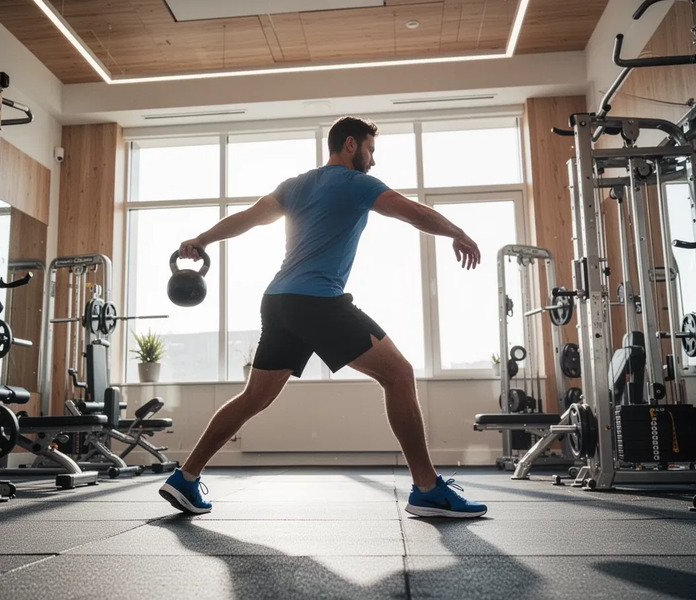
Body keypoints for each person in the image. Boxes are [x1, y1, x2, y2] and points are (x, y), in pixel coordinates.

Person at [160, 116, 487, 518]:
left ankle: (185, 477)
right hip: (317, 301)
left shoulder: (296, 185)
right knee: (398, 374)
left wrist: (201, 239)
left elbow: (247, 218)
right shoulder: (356, 184)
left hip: (278, 301)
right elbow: (409, 211)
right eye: (370, 150)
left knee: (254, 397)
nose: (372, 161)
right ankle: (427, 488)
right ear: (350, 145)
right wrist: (458, 231)